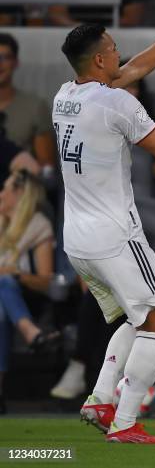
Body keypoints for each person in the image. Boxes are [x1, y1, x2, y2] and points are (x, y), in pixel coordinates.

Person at [53, 0, 155, 444]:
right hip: (116, 236)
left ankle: (100, 399)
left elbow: (131, 70)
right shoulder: (119, 104)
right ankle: (124, 422)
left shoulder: (65, 94)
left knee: (130, 320)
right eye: (114, 49)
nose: (121, 54)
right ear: (100, 61)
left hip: (78, 240)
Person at [0, 169, 60, 414]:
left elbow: (47, 281)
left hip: (26, 298)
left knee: (5, 284)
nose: (1, 193)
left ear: (20, 195)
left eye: (6, 188)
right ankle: (31, 333)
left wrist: (16, 274)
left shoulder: (38, 226)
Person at [0, 33, 55, 168]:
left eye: (5, 57)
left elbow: (46, 168)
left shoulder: (35, 107)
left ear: (16, 62)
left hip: (19, 185)